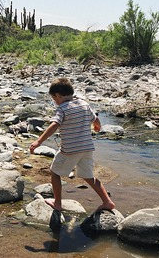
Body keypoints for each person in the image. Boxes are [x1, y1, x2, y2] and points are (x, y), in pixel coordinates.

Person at [29, 77, 115, 212]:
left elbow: (54, 125)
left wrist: (39, 141)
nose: (55, 102)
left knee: (55, 173)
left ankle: (57, 203)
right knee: (89, 176)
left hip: (69, 150)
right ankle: (107, 201)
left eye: (54, 99)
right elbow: (95, 119)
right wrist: (97, 126)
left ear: (58, 95)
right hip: (87, 148)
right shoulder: (83, 104)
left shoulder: (62, 109)